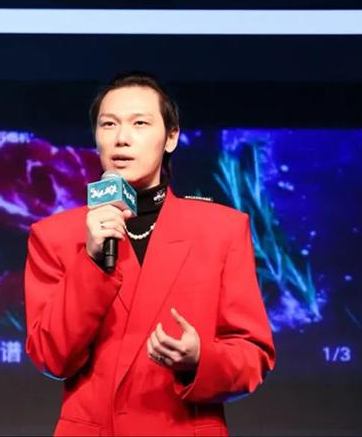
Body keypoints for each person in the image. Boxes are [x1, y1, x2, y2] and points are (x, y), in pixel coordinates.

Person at [24, 72, 276, 436]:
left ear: (171, 137)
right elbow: (51, 357)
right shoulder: (55, 236)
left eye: (139, 123)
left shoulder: (220, 230)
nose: (122, 138)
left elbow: (253, 355)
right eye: (108, 124)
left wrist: (200, 359)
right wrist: (92, 261)